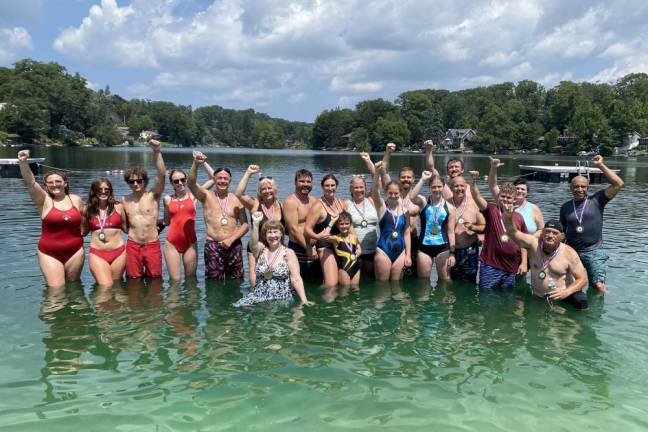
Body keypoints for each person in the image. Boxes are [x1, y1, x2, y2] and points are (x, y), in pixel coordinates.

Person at [17, 150, 84, 287]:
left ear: (65, 183)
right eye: (50, 182)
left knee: (74, 289)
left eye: (58, 181)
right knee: (56, 291)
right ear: (46, 186)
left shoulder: (76, 200)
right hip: (49, 253)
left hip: (76, 251)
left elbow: (85, 221)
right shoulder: (43, 200)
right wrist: (23, 163)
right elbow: (30, 183)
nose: (54, 184)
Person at [559, 155, 624, 294]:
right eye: (576, 186)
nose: (580, 189)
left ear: (588, 187)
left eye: (583, 186)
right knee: (570, 285)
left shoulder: (597, 200)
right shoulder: (565, 207)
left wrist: (601, 165)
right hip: (572, 252)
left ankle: (598, 314)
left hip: (593, 251)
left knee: (598, 286)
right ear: (571, 188)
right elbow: (562, 231)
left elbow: (618, 184)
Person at [503, 214, 589, 310]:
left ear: (562, 236)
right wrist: (508, 216)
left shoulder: (569, 253)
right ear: (542, 233)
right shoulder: (533, 245)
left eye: (555, 233)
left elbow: (583, 279)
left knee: (581, 300)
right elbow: (512, 232)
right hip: (538, 297)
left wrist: (565, 292)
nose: (550, 235)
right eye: (547, 231)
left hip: (562, 298)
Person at [188, 152, 249, 281]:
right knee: (213, 284)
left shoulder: (236, 199)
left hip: (234, 245)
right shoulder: (206, 196)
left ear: (230, 180)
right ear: (214, 180)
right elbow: (191, 183)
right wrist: (196, 164)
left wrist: (231, 239)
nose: (222, 181)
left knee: (236, 281)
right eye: (219, 178)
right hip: (213, 245)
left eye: (225, 178)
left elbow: (245, 224)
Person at [234, 212, 311, 307]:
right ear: (265, 236)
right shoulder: (260, 249)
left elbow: (296, 279)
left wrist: (304, 300)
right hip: (259, 295)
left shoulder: (288, 253)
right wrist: (255, 224)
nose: (273, 235)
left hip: (281, 296)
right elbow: (253, 245)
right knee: (239, 307)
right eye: (269, 232)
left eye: (275, 232)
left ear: (281, 234)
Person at [469, 170, 528, 290]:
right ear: (498, 196)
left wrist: (524, 263)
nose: (505, 200)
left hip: (512, 267)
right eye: (503, 196)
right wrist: (473, 181)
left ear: (514, 199)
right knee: (487, 300)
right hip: (491, 266)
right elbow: (476, 196)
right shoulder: (491, 210)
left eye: (509, 198)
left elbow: (524, 243)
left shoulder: (519, 218)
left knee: (507, 301)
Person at [374, 143, 424, 274]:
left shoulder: (418, 198)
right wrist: (387, 152)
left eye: (408, 177)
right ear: (399, 179)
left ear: (413, 179)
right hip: (391, 240)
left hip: (411, 240)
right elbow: (383, 172)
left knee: (412, 277)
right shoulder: (394, 195)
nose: (406, 179)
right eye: (403, 177)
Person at [121, 139, 166, 279]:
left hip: (151, 244)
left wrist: (157, 151)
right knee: (133, 281)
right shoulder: (124, 200)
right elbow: (124, 225)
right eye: (132, 181)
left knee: (155, 280)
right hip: (133, 245)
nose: (135, 184)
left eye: (139, 181)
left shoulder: (153, 196)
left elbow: (162, 174)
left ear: (145, 182)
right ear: (128, 183)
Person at [235, 164, 285, 286]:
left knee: (276, 279)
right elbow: (239, 194)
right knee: (255, 275)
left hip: (277, 247)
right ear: (259, 191)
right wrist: (248, 173)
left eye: (269, 188)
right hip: (256, 247)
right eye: (263, 189)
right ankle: (253, 295)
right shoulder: (254, 205)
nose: (267, 191)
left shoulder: (282, 206)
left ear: (274, 189)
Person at [409, 170, 456, 280]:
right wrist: (423, 179)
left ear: (443, 187)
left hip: (443, 247)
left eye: (439, 187)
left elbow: (451, 232)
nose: (436, 189)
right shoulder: (424, 202)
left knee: (444, 281)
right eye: (433, 187)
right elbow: (411, 197)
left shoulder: (450, 208)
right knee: (423, 282)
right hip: (424, 247)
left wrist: (452, 253)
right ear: (430, 187)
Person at [304, 174, 346, 287]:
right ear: (322, 187)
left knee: (344, 283)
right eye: (327, 185)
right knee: (332, 284)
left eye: (333, 185)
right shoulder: (318, 205)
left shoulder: (342, 203)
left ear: (336, 186)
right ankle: (326, 304)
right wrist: (317, 238)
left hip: (340, 244)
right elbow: (307, 229)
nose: (330, 188)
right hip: (325, 245)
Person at [371, 162, 411, 281]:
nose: (393, 196)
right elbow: (374, 192)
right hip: (383, 250)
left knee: (397, 287)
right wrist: (377, 172)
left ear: (401, 193)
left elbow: (407, 233)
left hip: (400, 252)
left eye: (396, 193)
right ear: (386, 193)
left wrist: (408, 255)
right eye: (390, 193)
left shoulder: (405, 211)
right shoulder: (382, 207)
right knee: (382, 288)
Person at [84, 178, 127, 286]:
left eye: (106, 189)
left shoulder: (119, 207)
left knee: (117, 286)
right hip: (97, 253)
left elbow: (127, 229)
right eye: (100, 189)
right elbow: (83, 232)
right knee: (105, 286)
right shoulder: (87, 210)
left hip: (119, 253)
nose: (103, 191)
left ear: (110, 191)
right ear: (94, 191)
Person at [488, 156, 544, 234]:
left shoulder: (534, 208)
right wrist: (494, 168)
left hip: (526, 244)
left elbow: (541, 229)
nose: (520, 191)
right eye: (517, 188)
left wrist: (530, 240)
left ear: (527, 193)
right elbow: (493, 185)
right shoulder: (503, 201)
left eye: (523, 189)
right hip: (505, 242)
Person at [283, 169, 319, 278]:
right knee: (297, 282)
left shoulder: (314, 201)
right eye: (302, 181)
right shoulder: (290, 202)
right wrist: (308, 248)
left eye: (308, 182)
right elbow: (293, 229)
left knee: (315, 283)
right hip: (298, 248)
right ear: (295, 183)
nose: (305, 184)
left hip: (314, 249)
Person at [163, 169, 198, 280]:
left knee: (191, 280)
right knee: (174, 282)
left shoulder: (193, 196)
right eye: (176, 181)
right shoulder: (167, 199)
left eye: (182, 180)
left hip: (191, 243)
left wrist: (201, 163)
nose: (180, 183)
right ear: (172, 183)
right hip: (172, 243)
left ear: (186, 180)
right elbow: (167, 221)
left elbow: (213, 179)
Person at [450, 176, 485, 283]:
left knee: (470, 282)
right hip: (450, 251)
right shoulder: (446, 204)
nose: (459, 188)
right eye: (456, 186)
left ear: (466, 187)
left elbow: (484, 225)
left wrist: (473, 227)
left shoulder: (474, 204)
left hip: (470, 250)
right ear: (451, 188)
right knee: (450, 281)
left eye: (462, 186)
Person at [349, 153, 380, 274]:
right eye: (356, 188)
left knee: (369, 280)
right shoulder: (347, 204)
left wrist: (368, 161)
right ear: (351, 189)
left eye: (361, 187)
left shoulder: (372, 200)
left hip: (372, 249)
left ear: (366, 188)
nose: (359, 190)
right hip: (354, 249)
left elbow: (377, 181)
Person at [330, 211, 362, 286]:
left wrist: (359, 250)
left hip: (356, 268)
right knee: (345, 292)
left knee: (355, 291)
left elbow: (359, 247)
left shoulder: (354, 237)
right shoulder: (336, 238)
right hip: (344, 270)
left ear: (350, 224)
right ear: (337, 225)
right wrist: (332, 222)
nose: (344, 226)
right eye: (341, 224)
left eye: (347, 223)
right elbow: (323, 236)